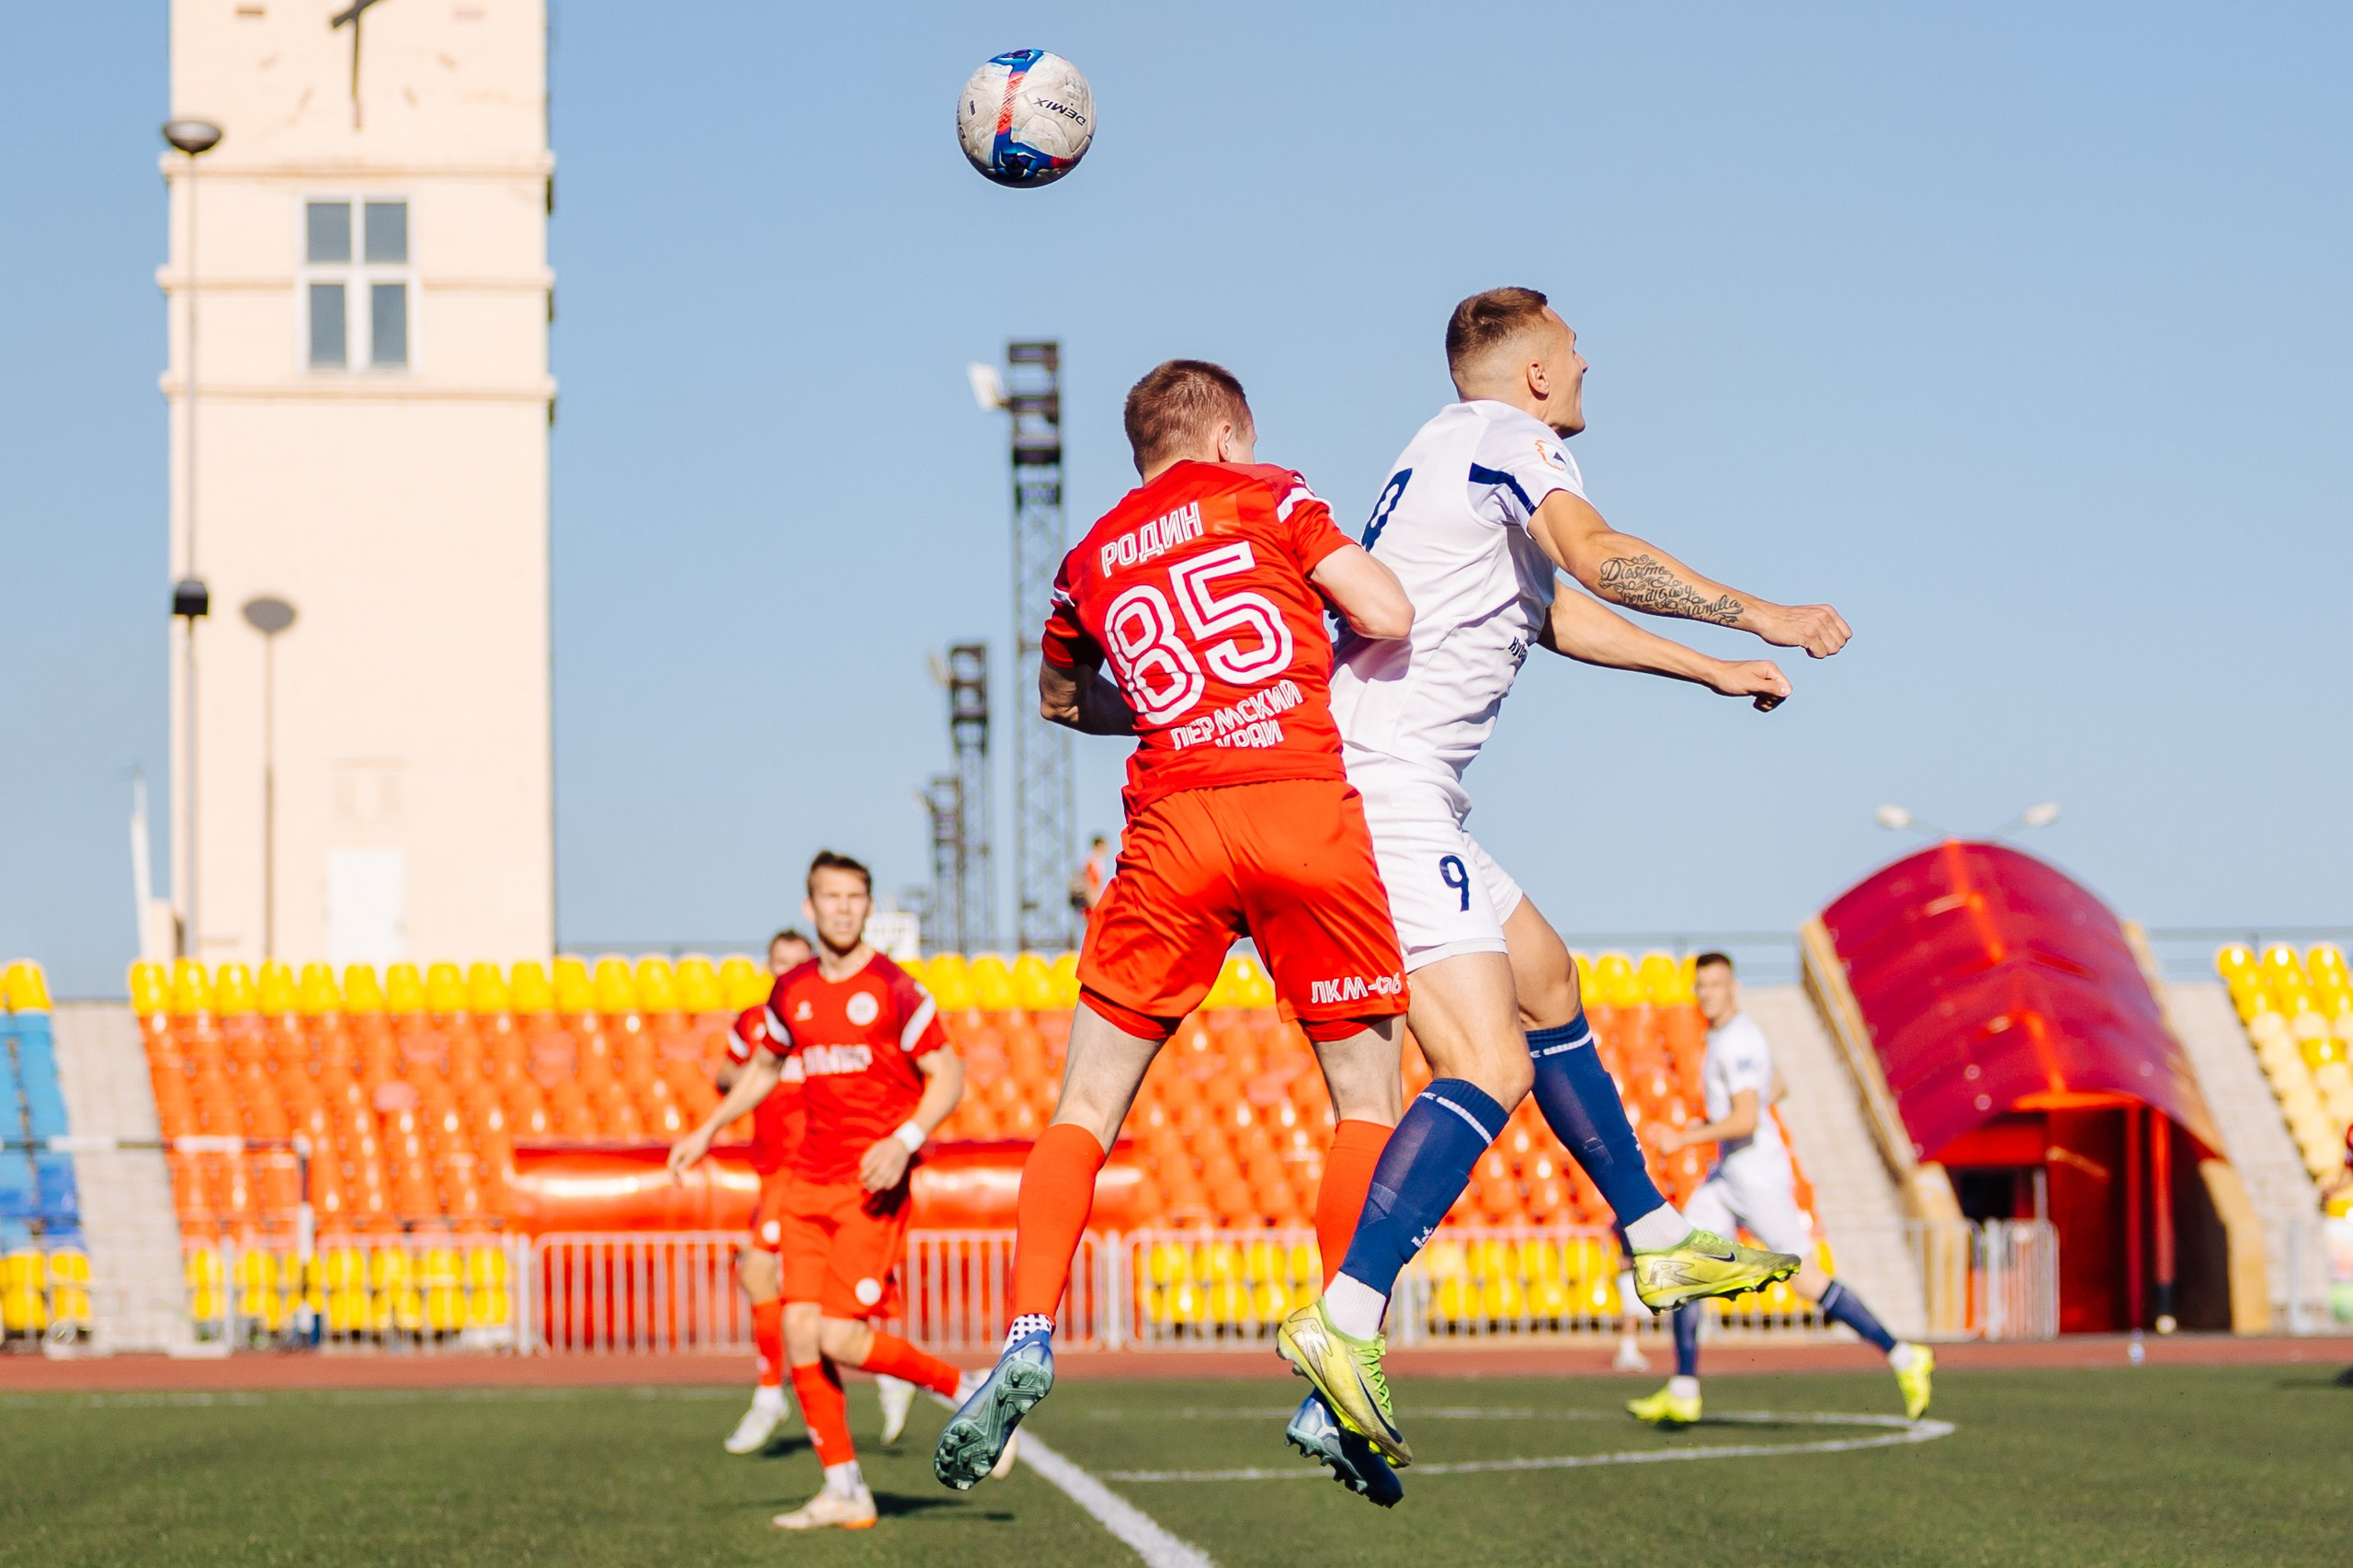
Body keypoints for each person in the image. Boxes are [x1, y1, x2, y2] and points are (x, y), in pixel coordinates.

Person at [1282, 286, 1852, 1481]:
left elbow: (1564, 614)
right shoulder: (1510, 441)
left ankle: (1654, 1236)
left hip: (1395, 784)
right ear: (1534, 373)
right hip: (1384, 785)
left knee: (1549, 979)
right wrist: (1771, 611)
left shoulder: (1444, 455)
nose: (1590, 361)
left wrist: (1711, 668)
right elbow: (1598, 554)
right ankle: (1344, 1317)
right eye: (1575, 348)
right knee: (1485, 1064)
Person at [931, 359, 1419, 1498]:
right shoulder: (1269, 495)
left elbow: (1061, 700)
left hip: (1168, 833)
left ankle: (1025, 1332)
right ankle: (1337, 1364)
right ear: (1232, 431)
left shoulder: (1087, 558)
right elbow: (1387, 609)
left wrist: (1167, 702)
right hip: (1296, 803)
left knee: (1083, 1108)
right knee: (1365, 1101)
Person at [671, 851, 989, 1531]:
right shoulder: (792, 991)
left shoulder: (896, 988)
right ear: (809, 907)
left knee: (840, 1337)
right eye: (831, 896)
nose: (843, 907)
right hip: (805, 1184)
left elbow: (950, 1076)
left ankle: (968, 1390)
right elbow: (761, 1070)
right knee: (796, 1328)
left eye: (855, 897)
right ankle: (845, 1488)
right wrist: (708, 1129)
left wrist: (903, 1141)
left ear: (868, 907)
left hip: (869, 1187)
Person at [1624, 952, 1933, 1426]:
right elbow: (1778, 1087)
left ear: (1732, 986)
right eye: (1700, 985)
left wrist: (1685, 1137)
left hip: (1757, 1177)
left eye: (1715, 984)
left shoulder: (1737, 1040)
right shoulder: (1729, 1038)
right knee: (1681, 1262)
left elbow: (1747, 1119)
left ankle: (1905, 1357)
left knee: (1807, 1281)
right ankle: (1685, 1389)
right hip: (1732, 1175)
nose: (1707, 993)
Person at [718, 928, 813, 1454]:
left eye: (798, 963)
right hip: (773, 1165)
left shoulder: (824, 1018)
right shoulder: (756, 1022)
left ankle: (769, 1391)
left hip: (813, 1165)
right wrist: (738, 1081)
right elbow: (729, 1068)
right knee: (796, 1290)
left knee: (762, 1271)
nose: (788, 971)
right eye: (781, 962)